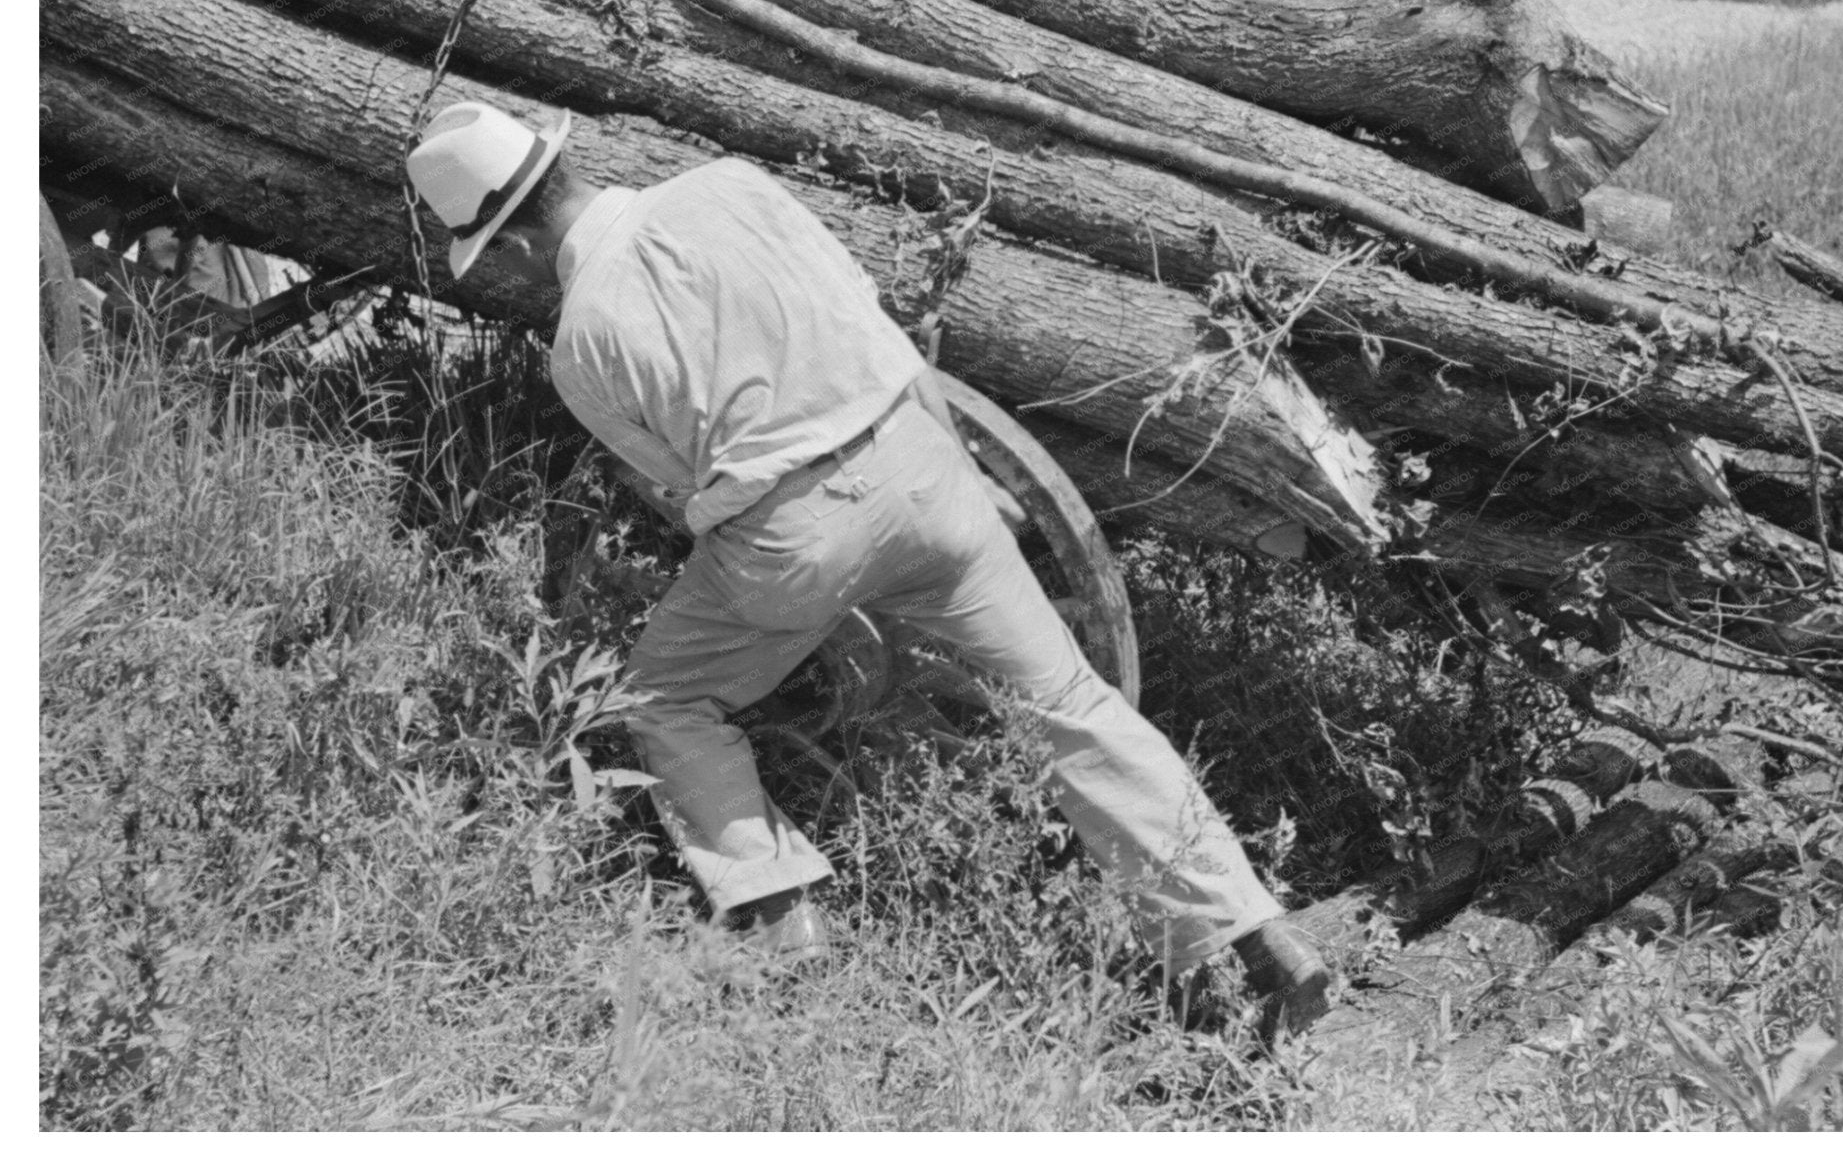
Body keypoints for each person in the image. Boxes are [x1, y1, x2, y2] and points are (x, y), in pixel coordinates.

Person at [406, 101, 1331, 1034]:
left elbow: (685, 493)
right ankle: (1254, 936)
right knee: (1073, 704)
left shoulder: (582, 348)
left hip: (791, 538)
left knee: (662, 700)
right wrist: (964, 475)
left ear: (512, 246)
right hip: (924, 465)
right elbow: (875, 327)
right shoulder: (733, 185)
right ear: (564, 161)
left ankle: (781, 916)